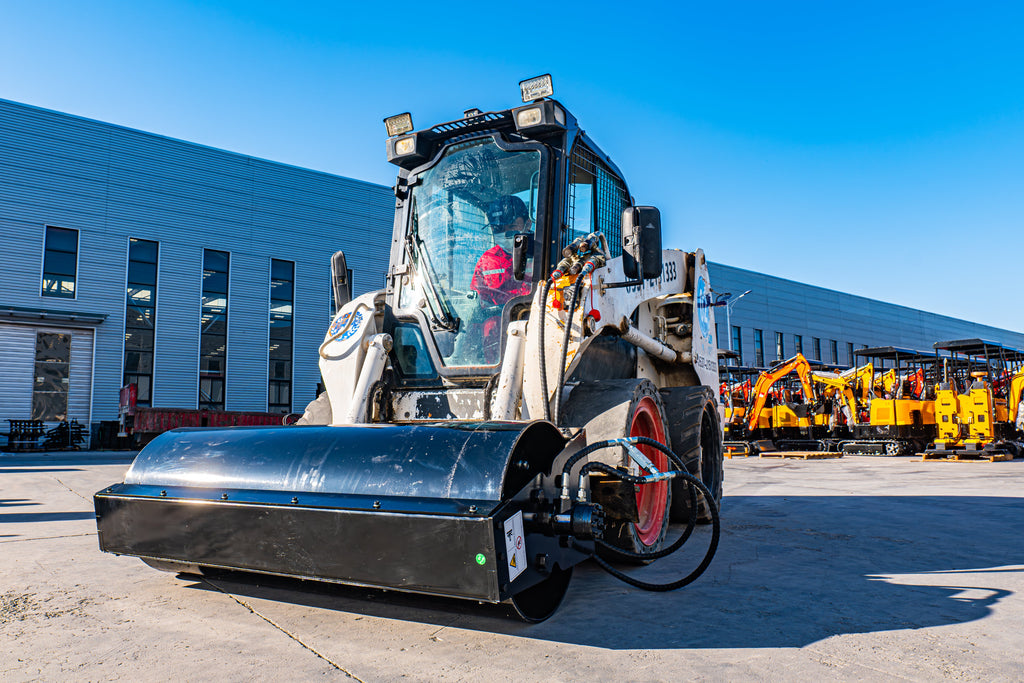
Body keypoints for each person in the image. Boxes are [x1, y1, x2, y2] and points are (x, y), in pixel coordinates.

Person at [471, 196, 532, 306]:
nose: (505, 233)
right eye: (499, 229)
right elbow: (479, 301)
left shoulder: (544, 254)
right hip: (499, 320)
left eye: (512, 226)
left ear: (527, 224)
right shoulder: (487, 260)